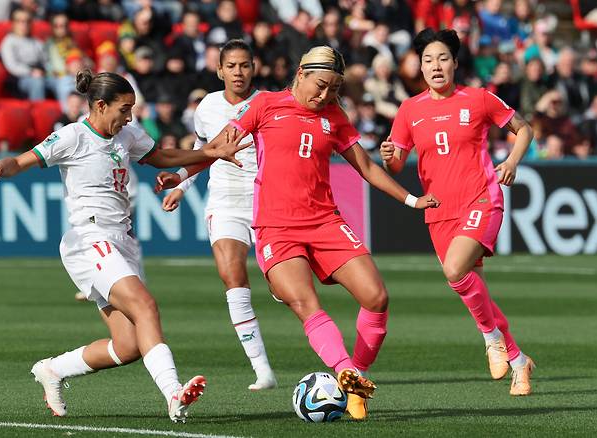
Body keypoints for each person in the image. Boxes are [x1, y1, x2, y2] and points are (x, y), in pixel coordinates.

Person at [158, 46, 440, 420]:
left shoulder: (335, 116)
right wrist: (180, 175)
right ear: (301, 73)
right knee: (305, 303)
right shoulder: (265, 105)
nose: (324, 96)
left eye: (334, 90)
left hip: (325, 221)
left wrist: (411, 200)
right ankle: (343, 369)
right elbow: (216, 146)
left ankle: (356, 378)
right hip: (276, 227)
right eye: (321, 86)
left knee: (377, 297)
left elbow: (367, 169)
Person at [0, 70, 250, 422]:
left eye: (131, 110)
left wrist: (212, 152)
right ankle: (173, 394)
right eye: (124, 110)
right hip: (89, 240)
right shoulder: (73, 136)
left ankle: (52, 369)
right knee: (145, 307)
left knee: (127, 346)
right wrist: (0, 166)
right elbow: (22, 160)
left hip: (120, 240)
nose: (129, 117)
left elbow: (163, 157)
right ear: (99, 105)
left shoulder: (127, 135)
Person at [380, 29, 535, 396]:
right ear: (420, 67)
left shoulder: (478, 99)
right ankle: (517, 360)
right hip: (438, 210)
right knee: (471, 287)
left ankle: (492, 340)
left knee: (454, 270)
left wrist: (511, 161)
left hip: (481, 198)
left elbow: (523, 128)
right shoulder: (409, 110)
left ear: (455, 63)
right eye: (429, 60)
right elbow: (399, 165)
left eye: (443, 59)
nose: (436, 66)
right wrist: (390, 158)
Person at [154, 40, 277, 392]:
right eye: (232, 66)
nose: (238, 72)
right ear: (220, 70)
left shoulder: (268, 104)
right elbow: (202, 150)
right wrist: (181, 183)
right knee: (233, 277)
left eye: (245, 65)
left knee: (282, 285)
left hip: (267, 201)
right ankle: (262, 370)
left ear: (254, 68)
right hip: (223, 201)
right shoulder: (207, 106)